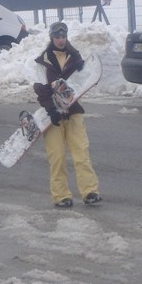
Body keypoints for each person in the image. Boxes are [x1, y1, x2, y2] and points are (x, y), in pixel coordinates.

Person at [33, 21, 102, 208]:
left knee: (81, 152)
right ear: (51, 37)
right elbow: (40, 88)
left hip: (73, 112)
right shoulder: (43, 61)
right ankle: (61, 195)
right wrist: (50, 109)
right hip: (53, 116)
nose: (61, 40)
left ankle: (90, 192)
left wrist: (84, 70)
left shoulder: (75, 57)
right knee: (57, 156)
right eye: (57, 37)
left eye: (63, 36)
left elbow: (82, 83)